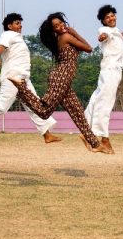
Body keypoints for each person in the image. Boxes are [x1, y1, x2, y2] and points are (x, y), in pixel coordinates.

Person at [8, 12, 110, 154]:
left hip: (64, 80)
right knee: (44, 112)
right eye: (56, 26)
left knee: (78, 112)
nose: (60, 26)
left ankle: (95, 144)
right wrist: (74, 32)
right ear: (53, 30)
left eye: (61, 23)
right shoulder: (66, 36)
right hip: (61, 78)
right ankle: (21, 87)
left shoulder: (60, 38)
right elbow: (88, 48)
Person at [0, 13, 61, 143]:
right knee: (1, 107)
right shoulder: (8, 34)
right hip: (13, 77)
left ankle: (46, 134)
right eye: (17, 23)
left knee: (35, 105)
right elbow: (1, 46)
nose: (20, 26)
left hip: (24, 78)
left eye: (20, 23)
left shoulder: (19, 38)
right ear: (9, 26)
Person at [84, 5, 123, 153]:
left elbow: (115, 37)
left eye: (112, 15)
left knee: (96, 98)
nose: (111, 18)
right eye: (107, 17)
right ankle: (103, 138)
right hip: (110, 70)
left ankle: (85, 129)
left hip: (111, 70)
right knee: (105, 103)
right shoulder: (105, 30)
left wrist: (122, 35)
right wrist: (103, 37)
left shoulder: (116, 31)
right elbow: (103, 36)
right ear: (103, 21)